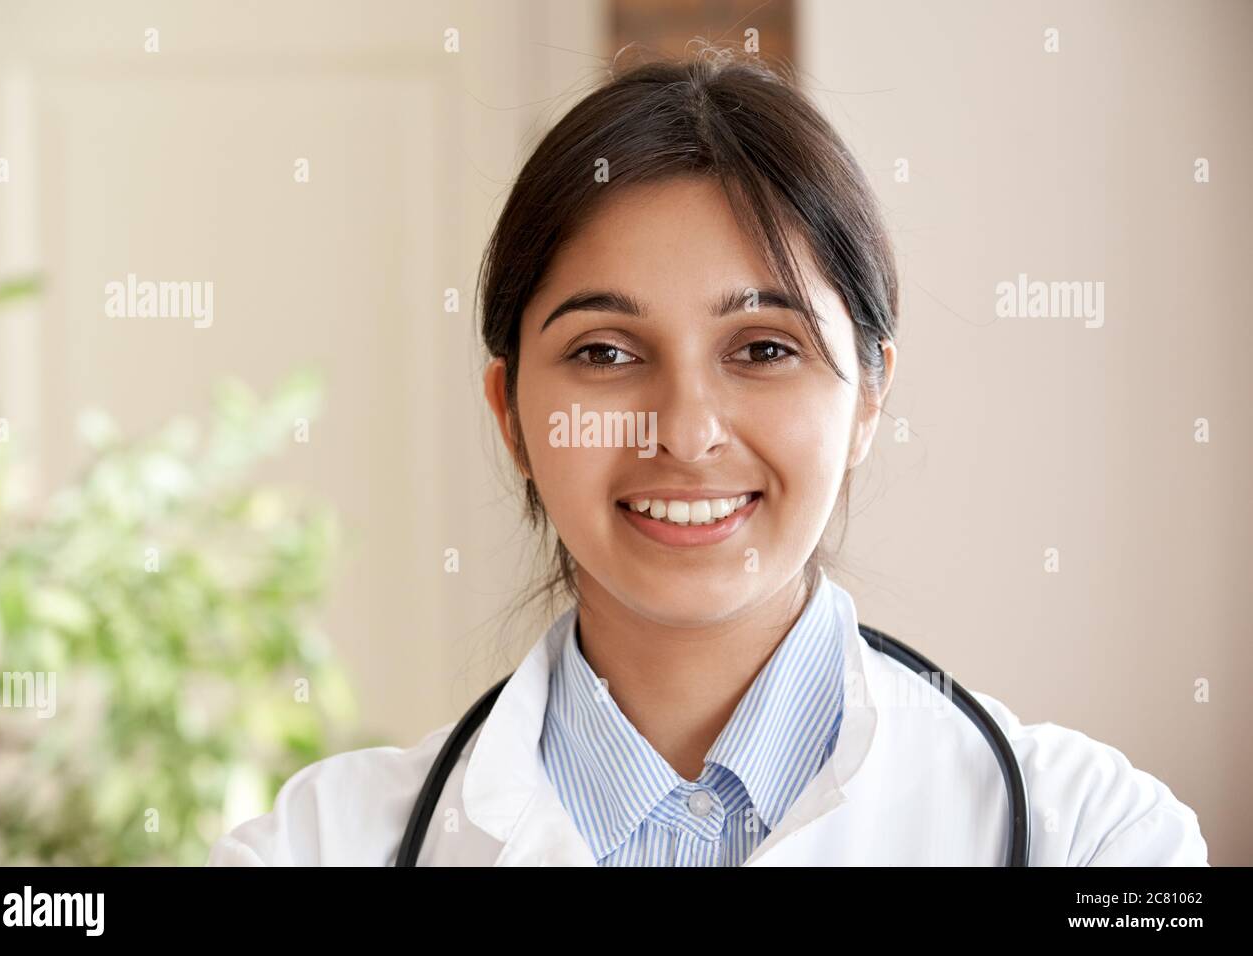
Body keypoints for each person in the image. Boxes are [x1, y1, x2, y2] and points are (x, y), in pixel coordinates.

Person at [207, 49, 1207, 867]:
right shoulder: (314, 849)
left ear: (867, 397)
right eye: (604, 353)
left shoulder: (1096, 842)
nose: (684, 433)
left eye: (763, 348)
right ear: (509, 411)